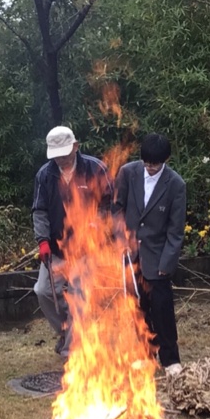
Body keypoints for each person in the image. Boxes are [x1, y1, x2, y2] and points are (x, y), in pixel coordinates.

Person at [32, 125, 110, 359]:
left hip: (87, 249)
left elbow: (110, 204)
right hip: (56, 250)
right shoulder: (45, 175)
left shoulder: (95, 169)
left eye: (65, 154)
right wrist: (42, 241)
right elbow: (40, 211)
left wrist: (99, 223)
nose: (61, 160)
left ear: (75, 147)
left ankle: (71, 353)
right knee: (43, 291)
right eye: (56, 156)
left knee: (79, 296)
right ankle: (67, 331)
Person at [114, 132, 187, 374]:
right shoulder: (128, 172)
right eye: (146, 162)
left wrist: (167, 263)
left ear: (165, 160)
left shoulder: (176, 184)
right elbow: (116, 208)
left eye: (154, 164)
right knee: (137, 307)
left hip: (158, 257)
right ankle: (145, 354)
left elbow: (176, 230)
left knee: (162, 309)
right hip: (130, 254)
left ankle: (170, 359)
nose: (150, 167)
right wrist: (121, 236)